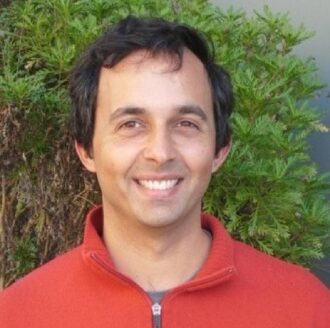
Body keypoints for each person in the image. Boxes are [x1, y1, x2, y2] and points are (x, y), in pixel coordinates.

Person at [0, 16, 329, 328]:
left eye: (186, 124)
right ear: (86, 150)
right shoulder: (17, 314)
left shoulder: (307, 308)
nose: (160, 152)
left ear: (220, 149)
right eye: (131, 124)